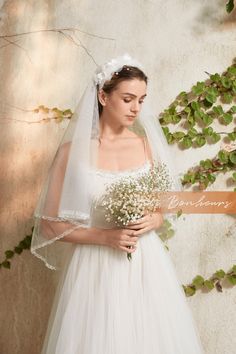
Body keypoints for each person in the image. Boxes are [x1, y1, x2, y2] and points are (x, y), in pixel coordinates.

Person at [31, 54, 204, 353]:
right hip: (94, 267)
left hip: (145, 264)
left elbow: (163, 204)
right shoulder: (71, 153)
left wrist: (157, 218)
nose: (136, 107)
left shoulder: (145, 146)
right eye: (128, 99)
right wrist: (103, 236)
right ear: (103, 95)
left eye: (141, 99)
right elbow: (48, 224)